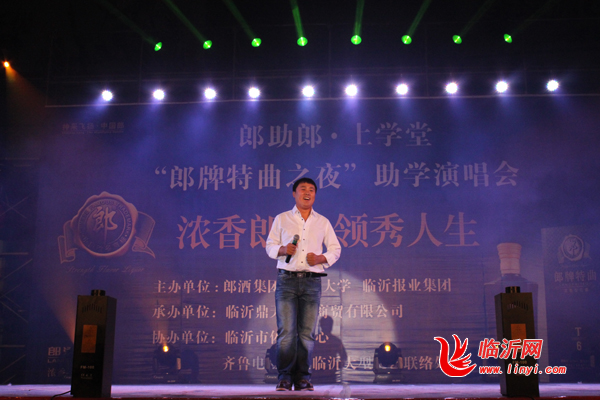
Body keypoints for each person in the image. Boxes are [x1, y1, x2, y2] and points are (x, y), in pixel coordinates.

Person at [266, 177, 342, 391]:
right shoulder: (282, 219)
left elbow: (335, 249)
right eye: (303, 189)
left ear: (315, 195)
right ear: (294, 193)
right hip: (287, 280)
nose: (307, 193)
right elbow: (270, 246)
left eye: (311, 190)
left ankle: (303, 378)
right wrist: (282, 250)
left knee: (307, 333)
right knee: (286, 333)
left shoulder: (322, 221)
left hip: (311, 282)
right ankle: (284, 377)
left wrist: (320, 258)